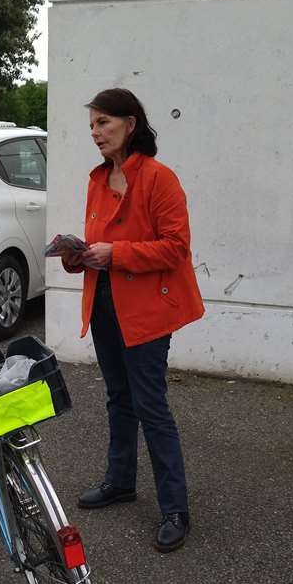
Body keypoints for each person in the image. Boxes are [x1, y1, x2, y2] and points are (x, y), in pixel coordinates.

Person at [64, 87, 204, 553]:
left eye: (103, 122)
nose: (95, 132)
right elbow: (99, 244)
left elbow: (175, 247)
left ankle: (175, 507)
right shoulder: (98, 180)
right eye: (91, 125)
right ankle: (120, 481)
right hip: (104, 303)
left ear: (130, 123)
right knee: (118, 398)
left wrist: (116, 253)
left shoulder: (159, 179)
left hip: (146, 309)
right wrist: (78, 256)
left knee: (151, 405)